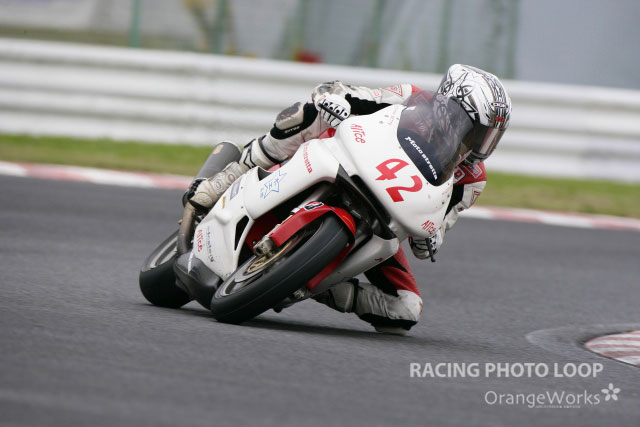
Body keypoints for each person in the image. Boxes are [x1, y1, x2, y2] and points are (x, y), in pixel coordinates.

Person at [186, 64, 512, 335]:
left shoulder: (472, 179)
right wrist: (335, 99)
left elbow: (438, 222)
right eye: (477, 131)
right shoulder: (410, 98)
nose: (481, 145)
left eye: (489, 138)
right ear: (447, 107)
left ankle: (308, 281)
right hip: (346, 159)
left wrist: (432, 239)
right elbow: (346, 94)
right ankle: (230, 175)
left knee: (405, 309)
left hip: (385, 218)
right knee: (309, 113)